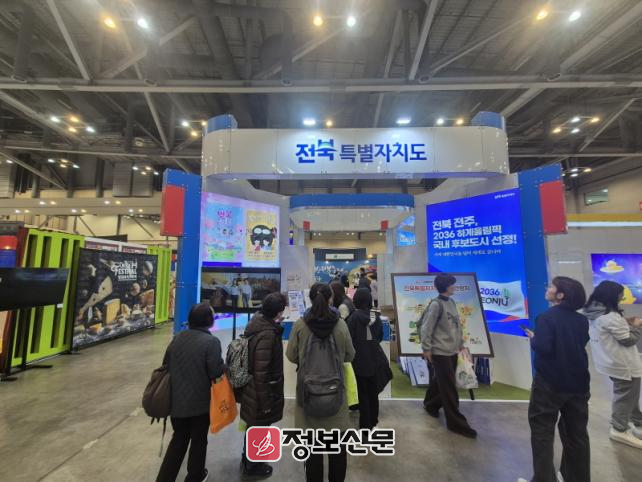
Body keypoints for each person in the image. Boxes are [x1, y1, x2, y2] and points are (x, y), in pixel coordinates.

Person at [286, 283, 355, 482]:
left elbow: (291, 355)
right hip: (335, 396)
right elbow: (350, 355)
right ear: (330, 299)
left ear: (310, 299)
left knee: (312, 453)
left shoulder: (300, 325)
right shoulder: (340, 324)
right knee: (338, 452)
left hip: (308, 396)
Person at [525, 277, 590, 482]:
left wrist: (534, 339)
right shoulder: (581, 320)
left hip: (550, 383)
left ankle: (543, 479)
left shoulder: (546, 318)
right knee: (577, 434)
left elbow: (543, 347)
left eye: (552, 286)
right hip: (579, 384)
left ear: (561, 295)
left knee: (542, 431)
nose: (548, 288)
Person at [157, 303, 225, 482]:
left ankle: (164, 478)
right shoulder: (211, 342)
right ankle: (195, 476)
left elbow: (166, 365)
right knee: (199, 440)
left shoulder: (177, 338)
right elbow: (215, 372)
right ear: (209, 321)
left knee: (178, 440)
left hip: (176, 403)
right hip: (200, 404)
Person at [584, 281, 642, 448]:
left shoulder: (595, 313)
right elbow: (628, 340)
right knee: (625, 397)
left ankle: (637, 422)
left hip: (611, 362)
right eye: (620, 295)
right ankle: (619, 428)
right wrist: (636, 327)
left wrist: (626, 322)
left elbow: (611, 329)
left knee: (629, 395)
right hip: (624, 365)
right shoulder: (610, 317)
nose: (622, 298)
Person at [421, 273, 476, 438]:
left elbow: (457, 326)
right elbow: (426, 328)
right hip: (440, 352)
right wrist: (426, 349)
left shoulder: (451, 302)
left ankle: (430, 404)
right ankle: (456, 423)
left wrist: (461, 345)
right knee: (449, 388)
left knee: (441, 382)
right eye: (452, 284)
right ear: (446, 286)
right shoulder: (436, 305)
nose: (454, 286)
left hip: (452, 350)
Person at [240, 292, 288, 477]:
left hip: (255, 389)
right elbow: (261, 372)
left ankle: (248, 459)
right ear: (277, 312)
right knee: (260, 425)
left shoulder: (259, 323)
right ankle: (253, 467)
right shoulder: (267, 334)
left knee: (255, 425)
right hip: (262, 391)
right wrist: (266, 401)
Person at [346, 288, 383, 429]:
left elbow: (349, 339)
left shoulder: (353, 317)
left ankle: (365, 425)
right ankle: (373, 421)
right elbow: (379, 336)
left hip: (358, 360)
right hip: (374, 359)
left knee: (362, 394)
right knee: (374, 393)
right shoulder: (375, 316)